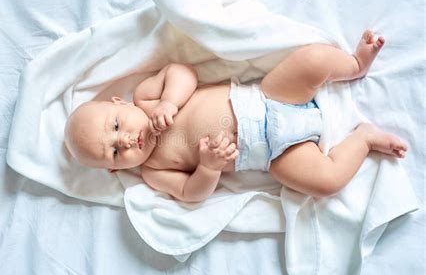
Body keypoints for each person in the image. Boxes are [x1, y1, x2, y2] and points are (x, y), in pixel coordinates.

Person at [64, 30, 407, 202]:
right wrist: (208, 167)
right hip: (273, 155)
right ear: (114, 169)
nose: (124, 141)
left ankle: (354, 65)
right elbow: (190, 193)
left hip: (269, 97)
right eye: (114, 152)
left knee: (312, 60)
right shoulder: (153, 171)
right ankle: (363, 139)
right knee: (326, 183)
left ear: (120, 104)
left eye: (115, 125)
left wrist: (170, 102)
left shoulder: (146, 97)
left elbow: (182, 72)